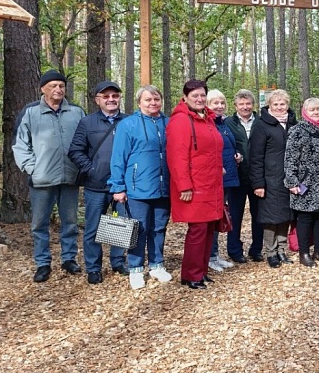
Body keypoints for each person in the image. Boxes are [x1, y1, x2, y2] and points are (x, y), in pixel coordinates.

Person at [13, 69, 86, 283]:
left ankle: (68, 258)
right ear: (42, 88)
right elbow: (20, 144)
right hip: (42, 179)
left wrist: (82, 168)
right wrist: (32, 168)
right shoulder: (31, 112)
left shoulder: (76, 112)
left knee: (70, 221)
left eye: (61, 86)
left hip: (70, 177)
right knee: (39, 224)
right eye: (53, 85)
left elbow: (85, 142)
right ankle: (43, 263)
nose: (58, 89)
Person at [109, 85, 172, 290]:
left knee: (159, 227)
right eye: (148, 100)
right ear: (139, 102)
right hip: (137, 187)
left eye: (156, 99)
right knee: (138, 228)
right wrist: (117, 186)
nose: (153, 103)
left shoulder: (168, 123)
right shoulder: (128, 125)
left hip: (164, 187)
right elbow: (119, 157)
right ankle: (135, 268)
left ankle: (156, 264)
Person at [68, 80, 129, 284]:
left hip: (120, 185)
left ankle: (118, 261)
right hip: (95, 186)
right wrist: (91, 170)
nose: (111, 100)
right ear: (97, 100)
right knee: (93, 228)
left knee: (119, 223)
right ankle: (93, 267)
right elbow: (75, 151)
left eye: (115, 96)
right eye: (106, 96)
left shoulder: (128, 121)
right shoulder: (87, 122)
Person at [166, 80, 225, 290]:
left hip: (211, 181)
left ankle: (201, 271)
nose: (199, 99)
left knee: (209, 228)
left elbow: (210, 149)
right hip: (195, 184)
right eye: (194, 96)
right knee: (198, 230)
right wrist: (184, 186)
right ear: (185, 97)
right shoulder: (180, 121)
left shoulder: (207, 118)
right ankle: (191, 274)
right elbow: (177, 156)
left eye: (202, 95)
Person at [249, 89, 298, 268]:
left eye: (282, 104)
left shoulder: (293, 123)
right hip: (269, 179)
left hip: (288, 179)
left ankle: (282, 250)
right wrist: (258, 183)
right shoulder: (262, 125)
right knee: (270, 218)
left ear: (287, 105)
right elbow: (255, 156)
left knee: (285, 215)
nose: (279, 107)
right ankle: (270, 252)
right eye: (275, 104)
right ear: (269, 105)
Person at [284, 98, 319, 267]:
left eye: (318, 109)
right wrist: (292, 181)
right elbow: (290, 158)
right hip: (304, 182)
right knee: (304, 219)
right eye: (311, 109)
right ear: (305, 111)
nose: (316, 112)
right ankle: (304, 253)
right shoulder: (298, 131)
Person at [225, 89, 265, 262]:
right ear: (235, 105)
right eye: (241, 104)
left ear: (253, 105)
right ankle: (234, 250)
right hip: (237, 176)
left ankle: (256, 249)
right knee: (235, 214)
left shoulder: (262, 122)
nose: (245, 107)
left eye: (248, 103)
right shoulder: (228, 123)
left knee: (259, 215)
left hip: (258, 176)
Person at [206, 89, 242, 272]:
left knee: (219, 218)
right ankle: (209, 257)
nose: (219, 106)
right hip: (213, 178)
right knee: (211, 218)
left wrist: (237, 156)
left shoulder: (224, 124)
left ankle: (215, 255)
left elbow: (227, 148)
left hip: (227, 177)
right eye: (215, 103)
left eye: (221, 103)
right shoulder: (207, 123)